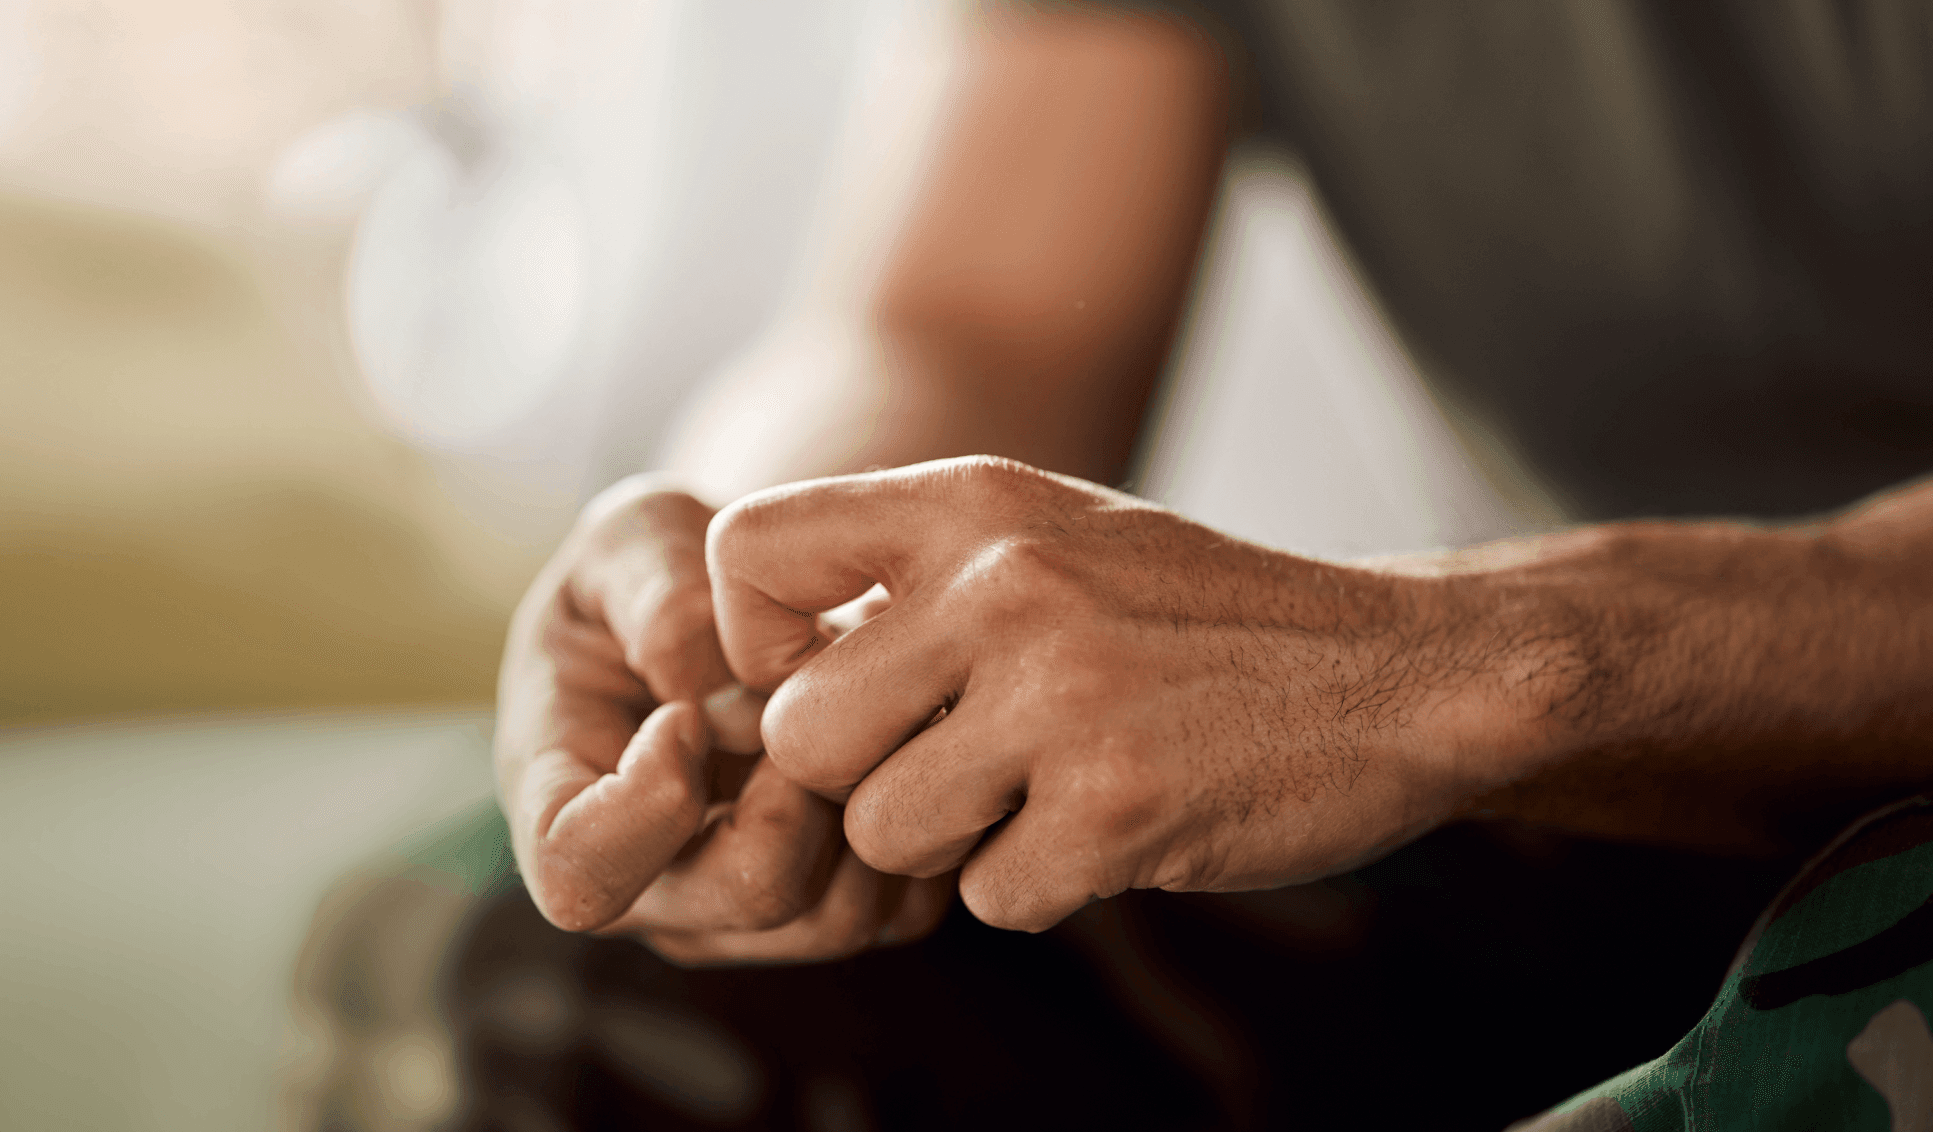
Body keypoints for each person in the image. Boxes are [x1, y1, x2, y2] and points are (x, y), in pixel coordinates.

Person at [476, 3, 1933, 1128]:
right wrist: (754, 577)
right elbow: (972, 325)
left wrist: (1477, 665)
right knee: (525, 979)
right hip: (1624, 784)